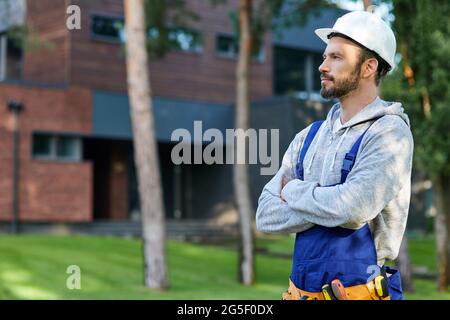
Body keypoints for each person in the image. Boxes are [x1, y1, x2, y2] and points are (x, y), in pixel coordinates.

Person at [256, 11, 414, 300]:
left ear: (368, 67)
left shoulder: (390, 133)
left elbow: (354, 209)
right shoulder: (307, 137)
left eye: (336, 58)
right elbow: (265, 215)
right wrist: (331, 203)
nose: (322, 66)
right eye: (325, 56)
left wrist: (292, 190)